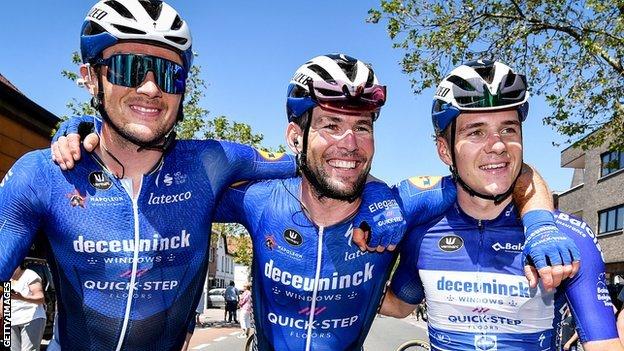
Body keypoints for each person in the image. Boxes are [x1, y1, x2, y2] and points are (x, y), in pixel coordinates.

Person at [53, 53, 579, 350]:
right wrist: (88, 134)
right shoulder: (258, 201)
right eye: (330, 125)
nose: (349, 144)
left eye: (362, 127)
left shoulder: (400, 201)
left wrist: (540, 222)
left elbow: (503, 170)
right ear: (294, 136)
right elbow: (158, 161)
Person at [0, 1, 301, 350]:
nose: (150, 88)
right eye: (128, 67)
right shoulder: (43, 173)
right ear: (90, 79)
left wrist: (376, 202)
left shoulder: (210, 162)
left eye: (169, 74)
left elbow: (323, 165)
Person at [380, 59, 622, 350]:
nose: (497, 145)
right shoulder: (422, 232)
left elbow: (606, 345)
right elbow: (398, 306)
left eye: (508, 130)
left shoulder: (565, 237)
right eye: (476, 132)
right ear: (445, 151)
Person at [9, 262, 47, 351]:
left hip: (31, 318)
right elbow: (4, 297)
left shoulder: (30, 275)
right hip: (11, 320)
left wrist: (22, 297)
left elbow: (41, 298)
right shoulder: (6, 277)